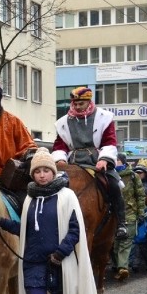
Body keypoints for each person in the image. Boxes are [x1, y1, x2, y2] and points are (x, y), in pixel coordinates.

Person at [0, 148, 103, 294]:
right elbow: (24, 229)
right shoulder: (29, 199)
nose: (42, 175)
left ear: (53, 172)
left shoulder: (66, 196)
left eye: (46, 170)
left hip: (58, 264)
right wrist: (0, 222)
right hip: (33, 264)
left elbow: (75, 230)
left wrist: (60, 253)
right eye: (38, 171)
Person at [52, 86, 127, 240]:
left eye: (81, 103)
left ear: (89, 102)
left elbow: (109, 141)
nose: (77, 107)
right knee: (51, 185)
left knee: (113, 184)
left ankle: (121, 223)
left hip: (96, 160)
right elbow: (60, 145)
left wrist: (104, 159)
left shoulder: (104, 118)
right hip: (72, 163)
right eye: (75, 104)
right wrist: (59, 158)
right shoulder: (63, 122)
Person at [112, 153, 147, 281]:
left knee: (125, 242)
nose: (113, 162)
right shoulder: (109, 175)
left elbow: (140, 195)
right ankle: (117, 266)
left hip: (129, 213)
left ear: (122, 161)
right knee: (115, 244)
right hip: (113, 216)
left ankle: (123, 268)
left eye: (116, 160)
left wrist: (141, 212)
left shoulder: (133, 176)